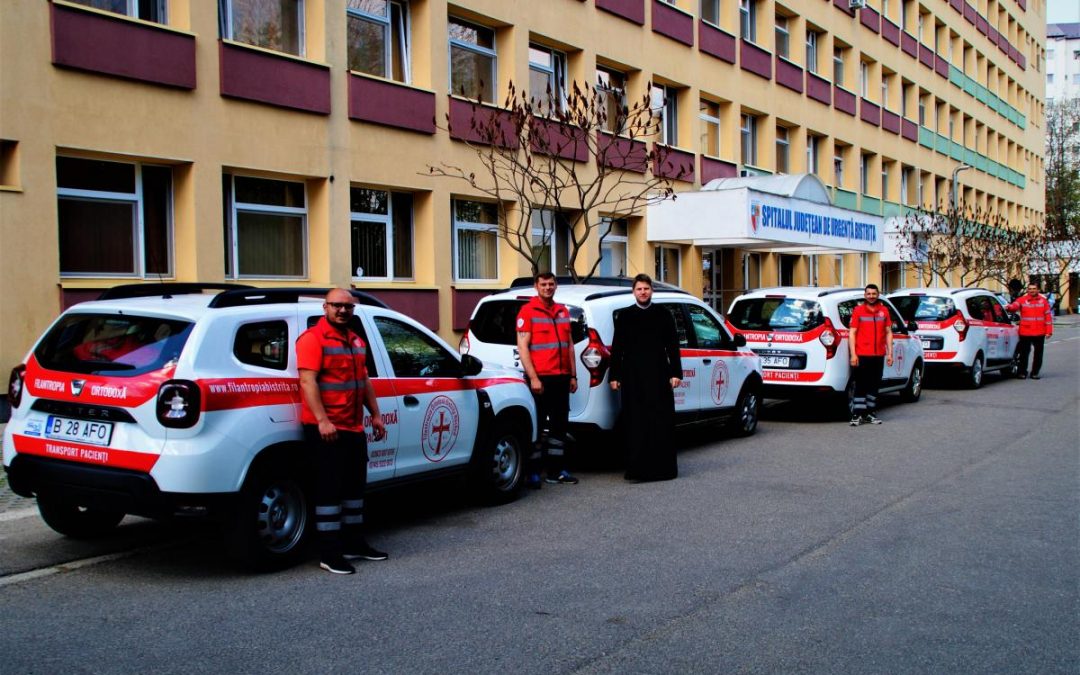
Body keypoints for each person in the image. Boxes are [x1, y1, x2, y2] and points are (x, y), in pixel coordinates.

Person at [297, 288, 388, 574]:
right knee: (328, 491)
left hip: (353, 426)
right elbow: (307, 382)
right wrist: (322, 420)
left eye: (348, 307)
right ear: (325, 307)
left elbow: (364, 380)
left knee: (354, 489)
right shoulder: (313, 339)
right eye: (336, 305)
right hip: (327, 428)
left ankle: (354, 543)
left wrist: (375, 415)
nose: (342, 311)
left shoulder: (355, 340)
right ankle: (329, 553)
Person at [608, 274, 682, 482]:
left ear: (652, 291)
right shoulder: (625, 316)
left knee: (660, 421)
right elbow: (618, 347)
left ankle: (663, 470)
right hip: (633, 377)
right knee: (636, 422)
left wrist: (676, 373)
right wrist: (614, 375)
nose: (643, 292)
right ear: (633, 292)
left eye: (646, 289)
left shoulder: (663, 314)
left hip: (659, 375)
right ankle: (637, 470)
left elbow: (673, 345)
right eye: (639, 289)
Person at [516, 272, 580, 487]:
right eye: (543, 284)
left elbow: (569, 345)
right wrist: (533, 378)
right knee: (538, 425)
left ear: (556, 286)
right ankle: (532, 472)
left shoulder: (562, 311)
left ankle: (556, 471)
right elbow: (522, 348)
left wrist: (573, 375)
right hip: (541, 379)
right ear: (536, 286)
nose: (547, 288)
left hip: (562, 377)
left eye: (551, 284)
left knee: (559, 426)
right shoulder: (527, 312)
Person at [847, 284, 893, 426]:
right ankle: (857, 414)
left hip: (878, 354)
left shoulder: (884, 311)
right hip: (862, 354)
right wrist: (853, 354)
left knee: (874, 384)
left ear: (878, 295)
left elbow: (888, 332)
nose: (871, 296)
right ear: (865, 295)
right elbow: (852, 333)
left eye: (874, 293)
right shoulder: (858, 311)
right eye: (869, 294)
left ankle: (870, 413)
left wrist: (890, 353)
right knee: (861, 384)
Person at [1007, 282, 1054, 380]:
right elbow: (1014, 306)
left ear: (1038, 290)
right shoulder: (1022, 300)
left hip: (1040, 332)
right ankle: (1022, 372)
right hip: (1026, 332)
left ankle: (1035, 373)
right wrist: (1009, 307)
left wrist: (1049, 331)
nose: (1032, 290)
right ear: (1027, 290)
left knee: (1038, 354)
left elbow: (1048, 317)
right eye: (1030, 289)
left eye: (1034, 288)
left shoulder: (1043, 301)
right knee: (1024, 354)